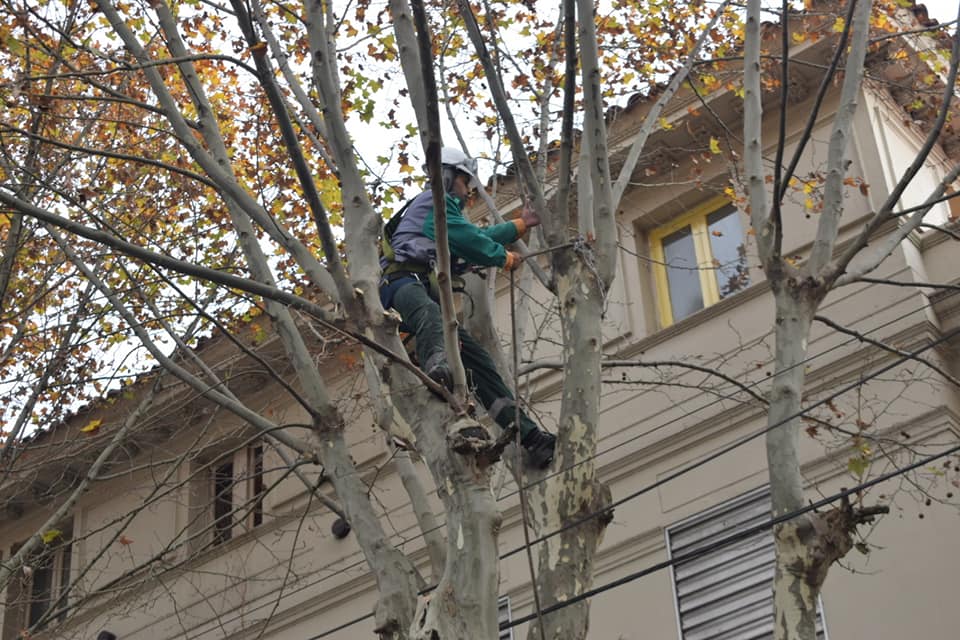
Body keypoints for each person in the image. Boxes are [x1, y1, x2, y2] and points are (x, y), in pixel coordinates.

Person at [379, 147, 557, 469]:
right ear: (447, 176)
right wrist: (502, 258)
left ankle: (530, 437)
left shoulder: (449, 214)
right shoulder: (435, 202)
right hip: (401, 283)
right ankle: (438, 370)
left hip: (422, 293)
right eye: (464, 181)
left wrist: (519, 225)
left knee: (480, 364)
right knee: (432, 316)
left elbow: (474, 235)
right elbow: (467, 239)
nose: (468, 190)